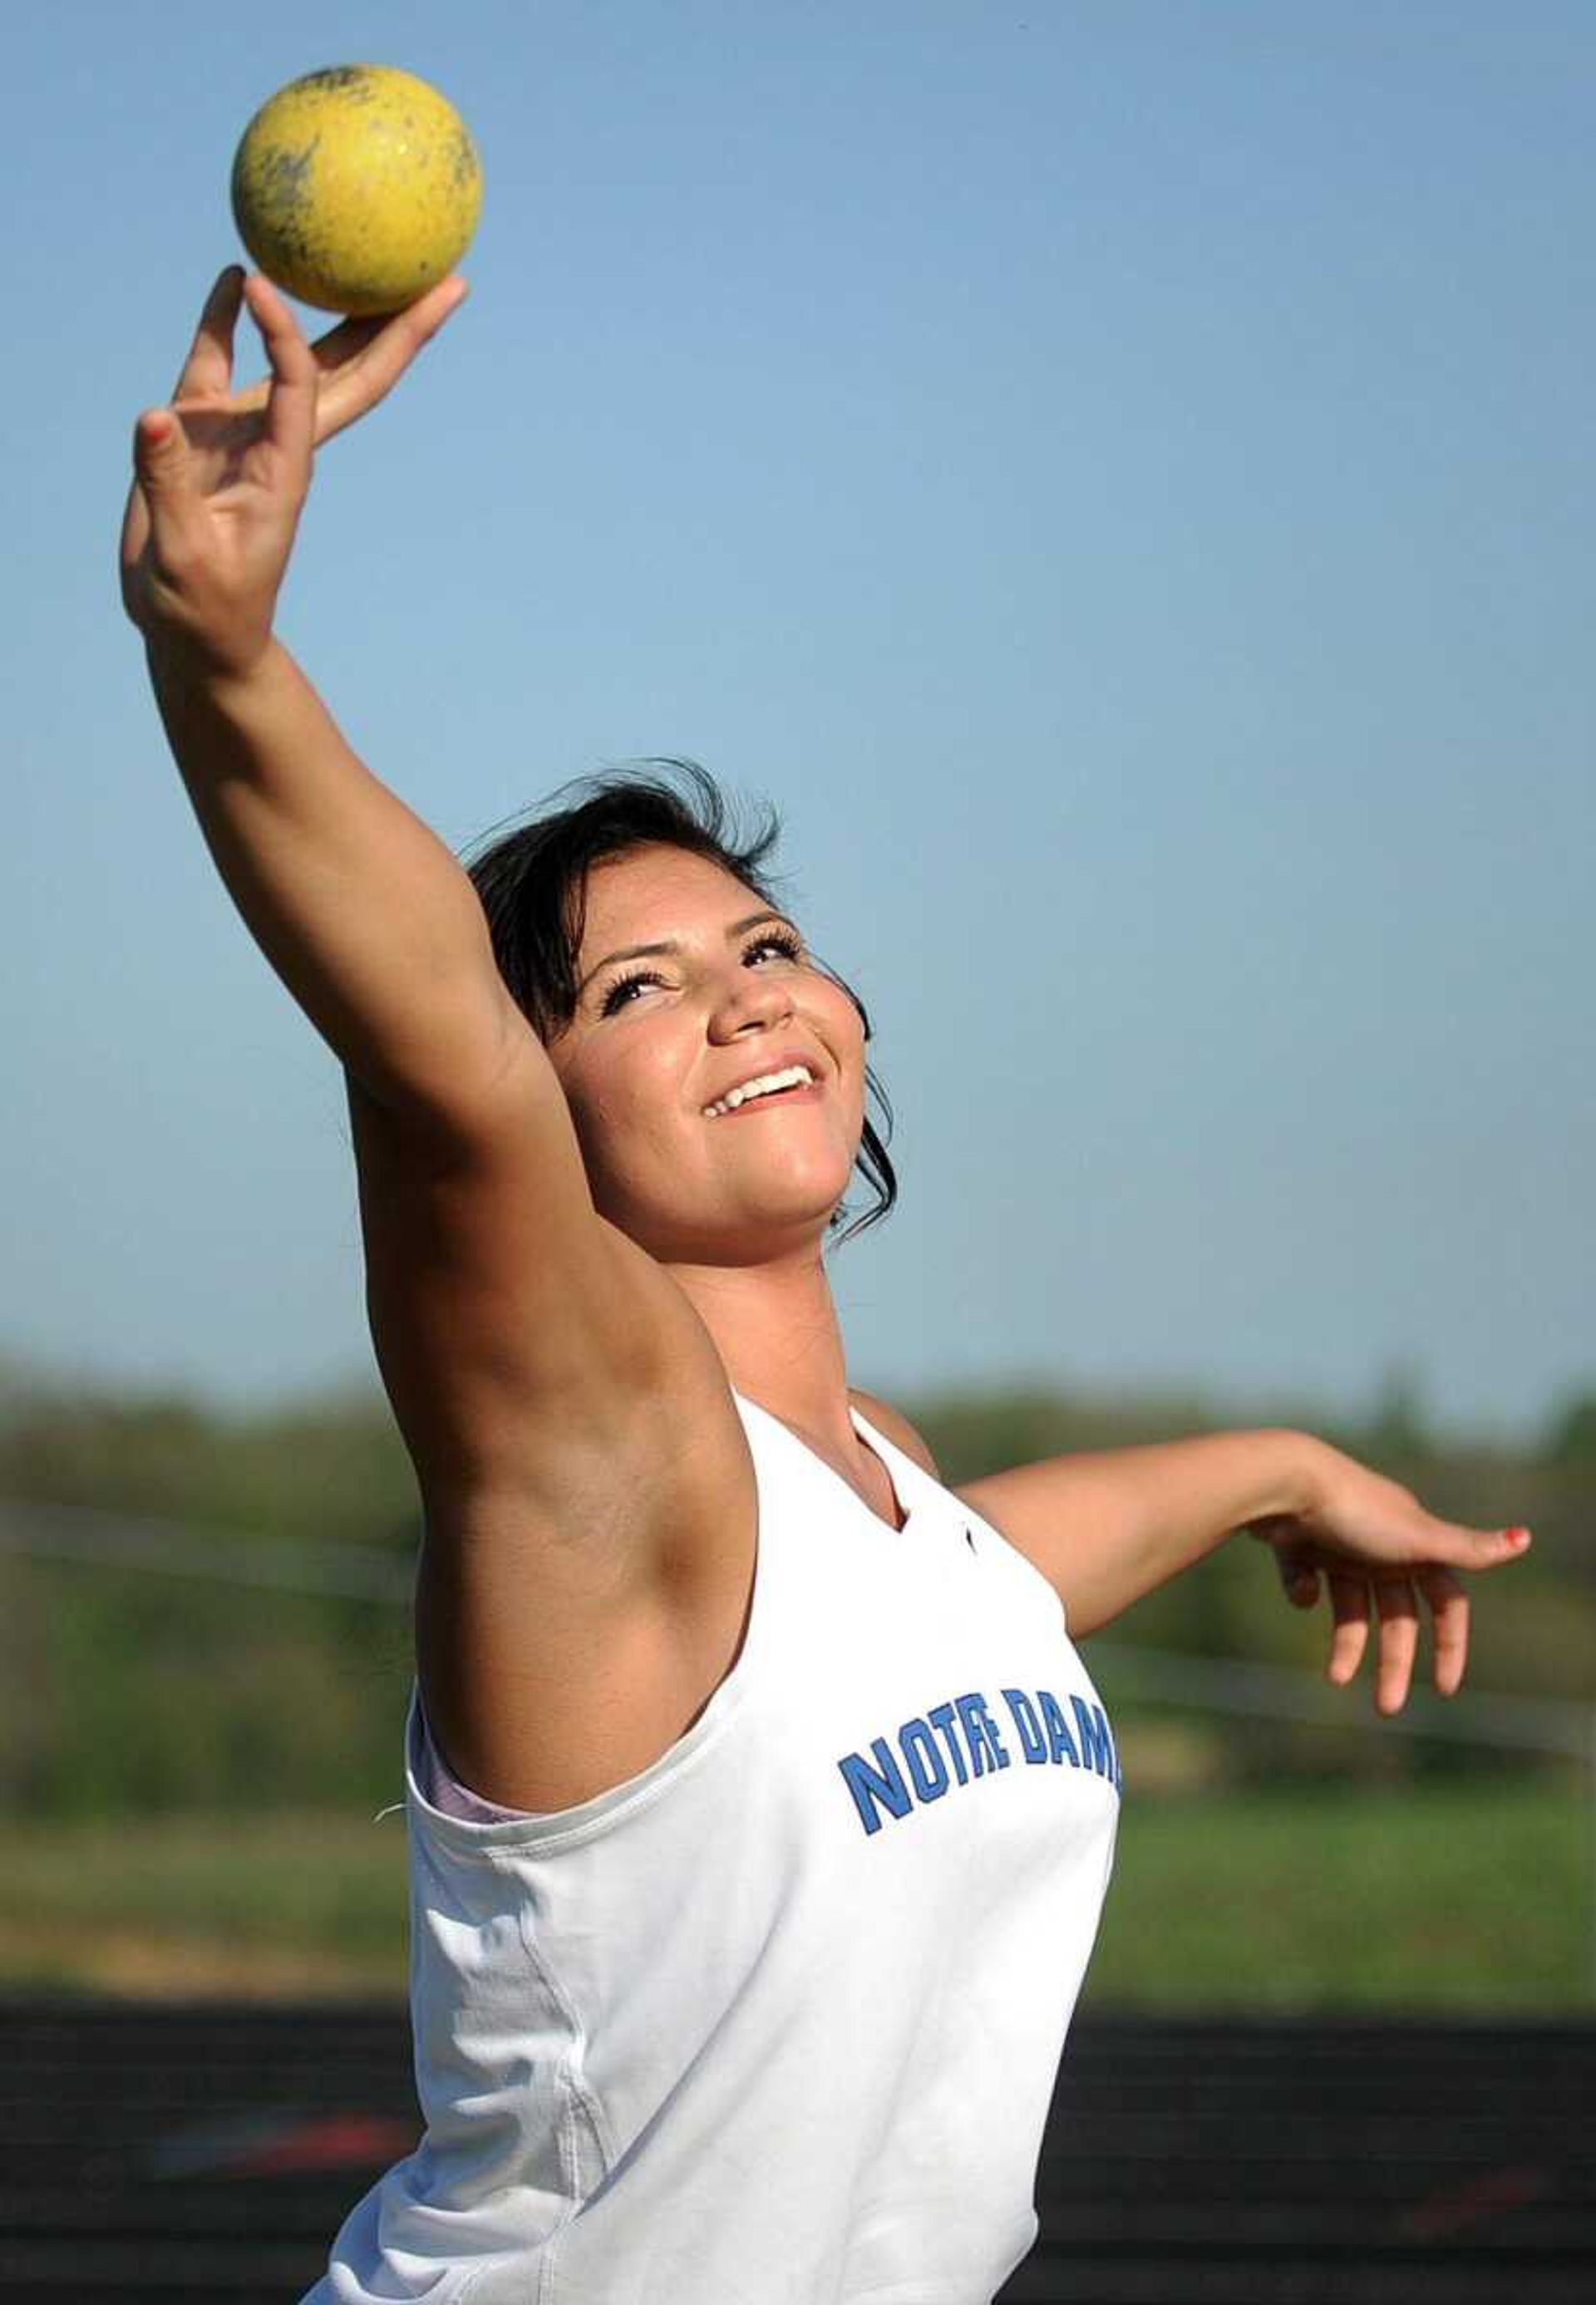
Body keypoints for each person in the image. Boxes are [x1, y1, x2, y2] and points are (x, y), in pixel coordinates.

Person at [121, 268, 1531, 2305]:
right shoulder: (597, 1460)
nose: (740, 999)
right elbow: (435, 1042)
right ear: (550, 1098)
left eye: (765, 947)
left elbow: (990, 1574)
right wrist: (221, 658)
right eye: (636, 988)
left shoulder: (872, 1489)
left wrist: (1279, 1470)